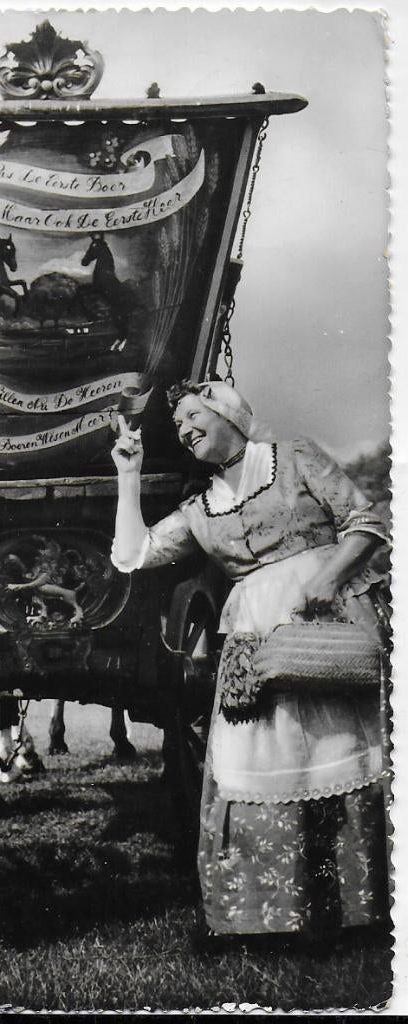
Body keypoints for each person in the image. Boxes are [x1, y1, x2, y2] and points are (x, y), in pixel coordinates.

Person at [111, 379, 390, 947]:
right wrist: (129, 473)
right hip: (256, 640)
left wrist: (327, 578)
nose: (186, 432)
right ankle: (272, 917)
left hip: (328, 625)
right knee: (261, 756)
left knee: (337, 748)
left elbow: (365, 522)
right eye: (180, 427)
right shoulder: (199, 508)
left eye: (194, 417)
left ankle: (357, 910)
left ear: (230, 414)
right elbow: (131, 554)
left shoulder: (294, 457)